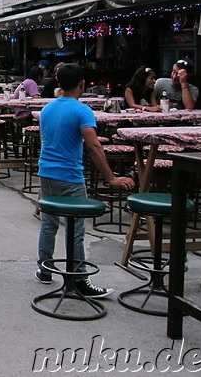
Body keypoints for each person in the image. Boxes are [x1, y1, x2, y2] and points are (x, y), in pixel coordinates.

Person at [36, 63, 134, 298]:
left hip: (46, 171)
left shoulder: (47, 109)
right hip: (69, 175)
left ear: (59, 84)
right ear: (82, 83)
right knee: (76, 228)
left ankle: (45, 268)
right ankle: (79, 278)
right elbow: (93, 145)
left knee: (49, 223)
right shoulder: (82, 111)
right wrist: (110, 177)